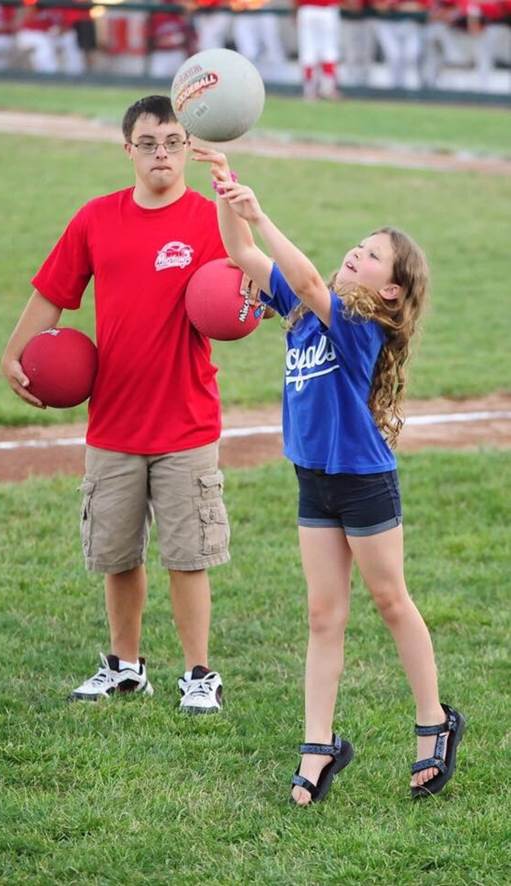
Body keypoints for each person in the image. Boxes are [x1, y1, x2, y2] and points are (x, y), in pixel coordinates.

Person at [192, 145, 465, 801]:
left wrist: (262, 215)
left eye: (372, 257)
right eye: (357, 247)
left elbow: (312, 283)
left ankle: (434, 723)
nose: (356, 256)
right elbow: (241, 256)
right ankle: (320, 746)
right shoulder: (303, 306)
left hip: (363, 482)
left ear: (389, 289)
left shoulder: (359, 321)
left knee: (390, 601)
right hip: (313, 480)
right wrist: (228, 192)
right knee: (322, 616)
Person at [1, 96, 232, 714]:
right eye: (149, 142)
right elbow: (53, 291)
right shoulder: (97, 219)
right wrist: (14, 352)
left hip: (187, 420)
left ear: (188, 148)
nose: (162, 153)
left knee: (189, 556)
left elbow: (240, 294)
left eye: (174, 142)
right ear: (127, 150)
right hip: (113, 421)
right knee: (118, 555)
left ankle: (199, 674)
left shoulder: (210, 221)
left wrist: (250, 304)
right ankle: (125, 666)